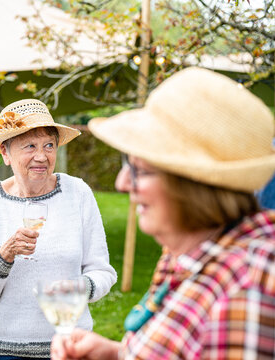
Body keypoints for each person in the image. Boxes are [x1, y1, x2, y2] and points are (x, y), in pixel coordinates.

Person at [51, 67, 275, 359]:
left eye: (139, 170)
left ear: (193, 183)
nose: (122, 183)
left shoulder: (245, 291)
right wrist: (117, 353)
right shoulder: (193, 249)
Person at [0, 99, 117, 359]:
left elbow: (103, 272)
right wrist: (4, 256)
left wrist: (79, 289)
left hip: (67, 349)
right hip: (0, 352)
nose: (41, 156)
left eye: (49, 145)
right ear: (5, 152)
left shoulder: (77, 192)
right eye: (30, 146)